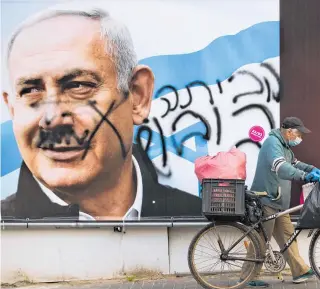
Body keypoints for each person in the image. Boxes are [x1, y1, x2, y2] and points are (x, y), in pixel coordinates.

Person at [1, 6, 202, 220]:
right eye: (31, 91)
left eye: (78, 86)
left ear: (138, 95)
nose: (51, 118)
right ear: (12, 108)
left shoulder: (202, 225)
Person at [240, 116, 320, 287]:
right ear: (289, 131)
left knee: (288, 236)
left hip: (279, 203)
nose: (300, 138)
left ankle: (299, 271)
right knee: (261, 239)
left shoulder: (285, 147)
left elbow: (295, 163)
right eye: (299, 134)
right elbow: (281, 167)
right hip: (266, 199)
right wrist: (304, 176)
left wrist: (311, 169)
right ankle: (248, 277)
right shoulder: (272, 143)